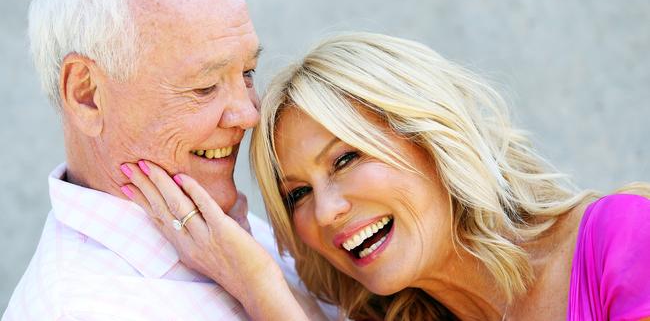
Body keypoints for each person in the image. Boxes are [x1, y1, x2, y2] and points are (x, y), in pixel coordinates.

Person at [121, 32, 650, 320]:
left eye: (345, 159)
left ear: (433, 139)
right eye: (297, 194)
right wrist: (260, 284)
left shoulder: (625, 238)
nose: (325, 212)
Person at [3, 0, 330, 320]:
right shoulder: (82, 308)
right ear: (87, 95)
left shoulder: (221, 228)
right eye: (205, 87)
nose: (249, 115)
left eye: (248, 73)